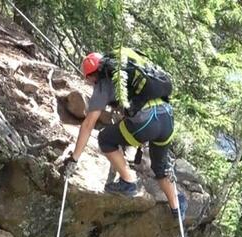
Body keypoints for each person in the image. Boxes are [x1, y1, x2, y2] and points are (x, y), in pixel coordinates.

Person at [65, 48, 187, 219]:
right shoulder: (130, 70)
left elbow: (88, 124)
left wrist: (74, 158)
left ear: (92, 75)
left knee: (105, 138)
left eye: (89, 79)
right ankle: (176, 207)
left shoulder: (104, 82)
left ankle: (129, 181)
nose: (91, 83)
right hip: (167, 118)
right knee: (160, 167)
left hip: (146, 124)